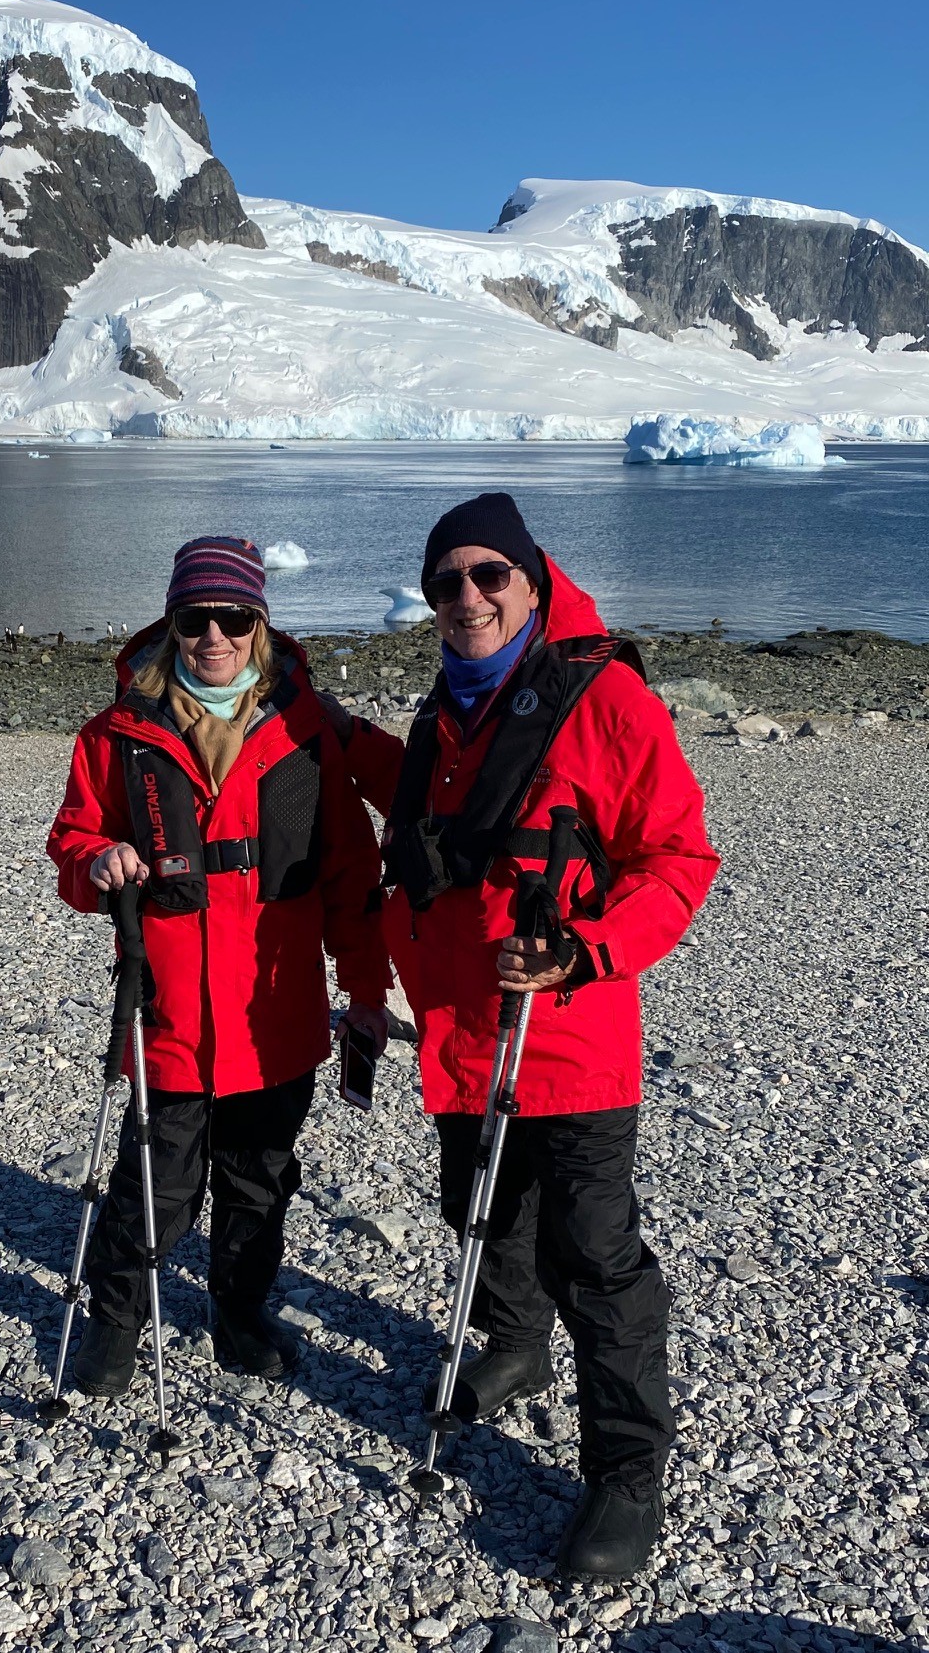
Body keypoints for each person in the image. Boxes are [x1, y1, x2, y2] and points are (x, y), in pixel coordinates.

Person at [329, 492, 719, 1579]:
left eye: (488, 575)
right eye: (446, 581)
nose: (467, 596)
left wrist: (588, 950)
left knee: (594, 1258)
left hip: (568, 1040)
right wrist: (302, 717)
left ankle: (625, 1475)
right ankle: (512, 1346)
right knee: (481, 1211)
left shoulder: (603, 701)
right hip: (463, 1037)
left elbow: (678, 861)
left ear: (532, 582)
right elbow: (421, 821)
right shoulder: (440, 718)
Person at [47, 534, 390, 1397]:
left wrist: (364, 987)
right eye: (196, 618)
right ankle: (116, 1321)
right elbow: (73, 838)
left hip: (275, 1010)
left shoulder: (307, 732)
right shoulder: (117, 734)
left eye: (234, 617)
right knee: (154, 1180)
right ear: (172, 624)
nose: (215, 635)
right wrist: (96, 863)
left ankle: (240, 1315)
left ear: (259, 625)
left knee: (259, 1179)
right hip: (168, 1006)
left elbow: (350, 873)